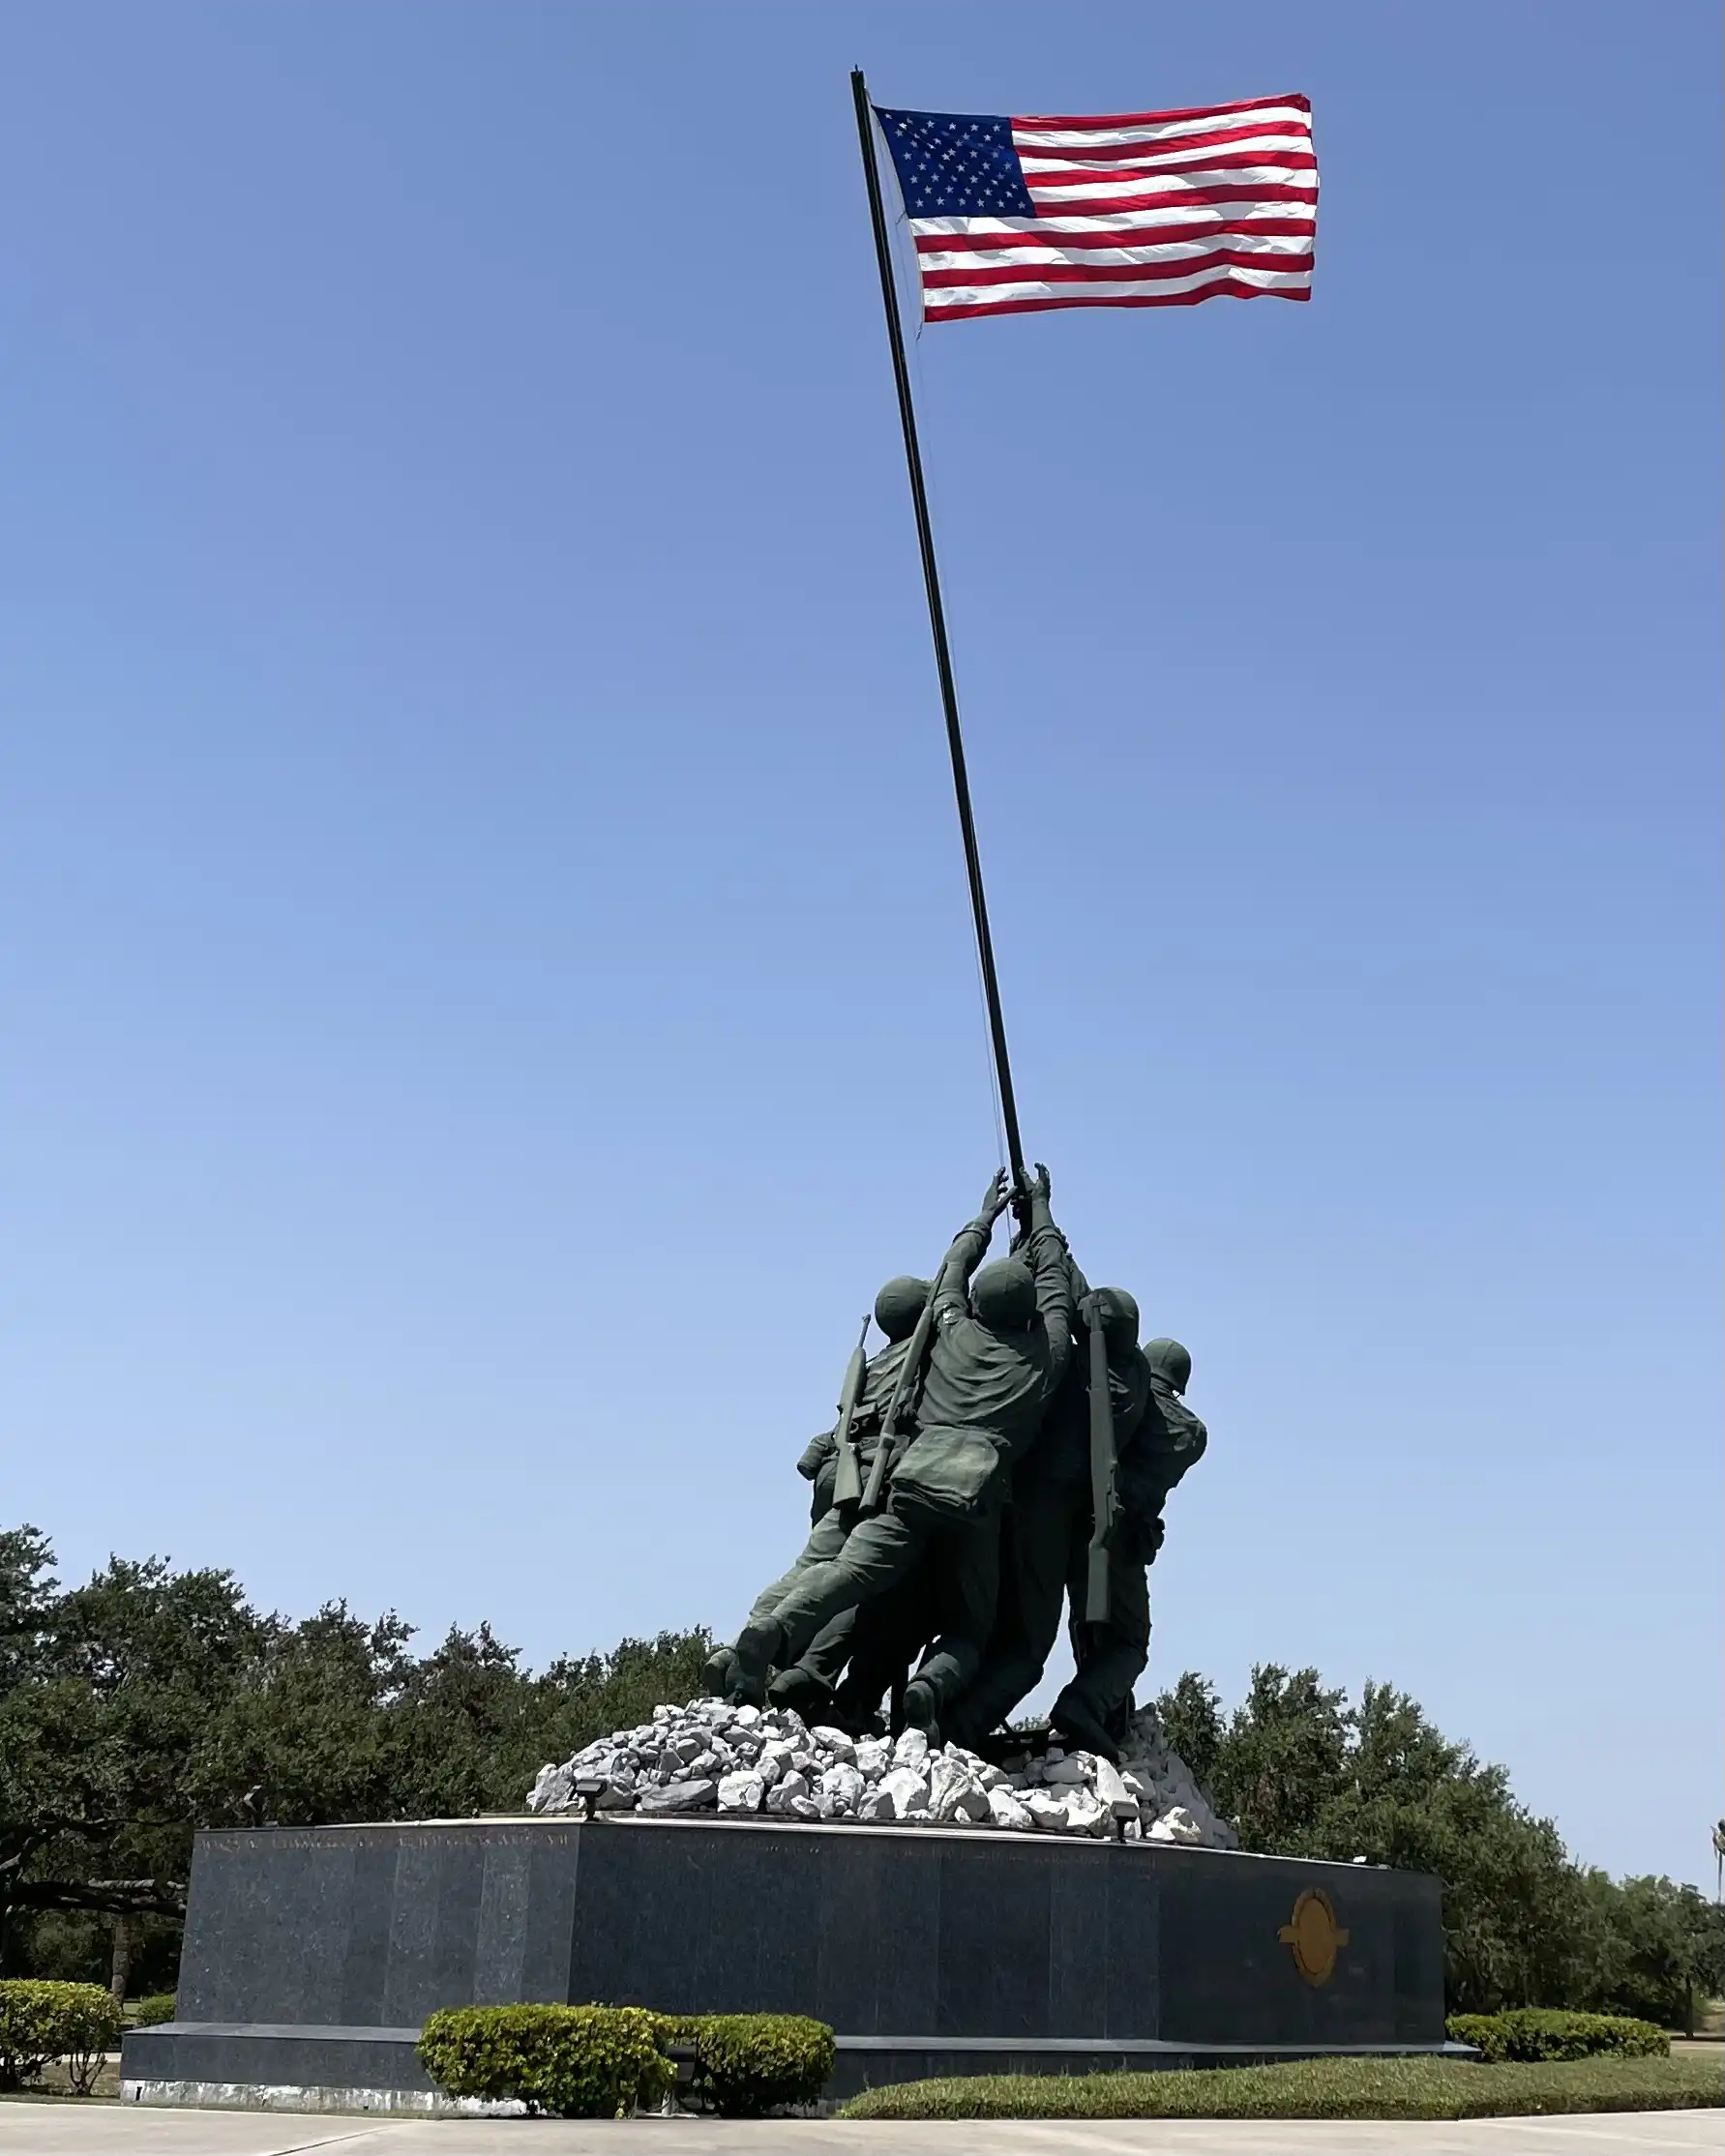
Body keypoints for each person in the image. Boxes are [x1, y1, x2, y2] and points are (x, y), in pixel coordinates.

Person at [727, 1166, 1076, 1736]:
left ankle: (775, 1628)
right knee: (970, 1628)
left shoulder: (950, 1334)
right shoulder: (1045, 1360)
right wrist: (1041, 1215)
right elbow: (1059, 1291)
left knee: (845, 1573)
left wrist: (984, 1218)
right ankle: (926, 1688)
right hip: (976, 1503)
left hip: (910, 1484)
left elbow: (950, 1277)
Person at [700, 1274, 930, 1702]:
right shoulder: (925, 1358)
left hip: (843, 1474)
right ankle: (774, 1637)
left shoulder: (875, 1365)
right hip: (882, 1474)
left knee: (805, 1566)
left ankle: (736, 1648)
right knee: (854, 1574)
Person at [941, 1283, 1149, 1753]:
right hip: (1056, 1517)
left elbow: (1061, 1305)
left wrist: (1042, 1233)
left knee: (1025, 1647)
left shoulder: (1056, 1367)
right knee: (1028, 1640)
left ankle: (956, 1728)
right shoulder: (1131, 1379)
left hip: (1022, 1511)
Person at [1051, 1335, 1207, 1758]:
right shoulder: (1187, 1430)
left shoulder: (1102, 1402)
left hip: (1072, 1530)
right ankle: (1081, 1707)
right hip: (1120, 1538)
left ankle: (1104, 1715)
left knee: (1087, 1625)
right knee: (1130, 1642)